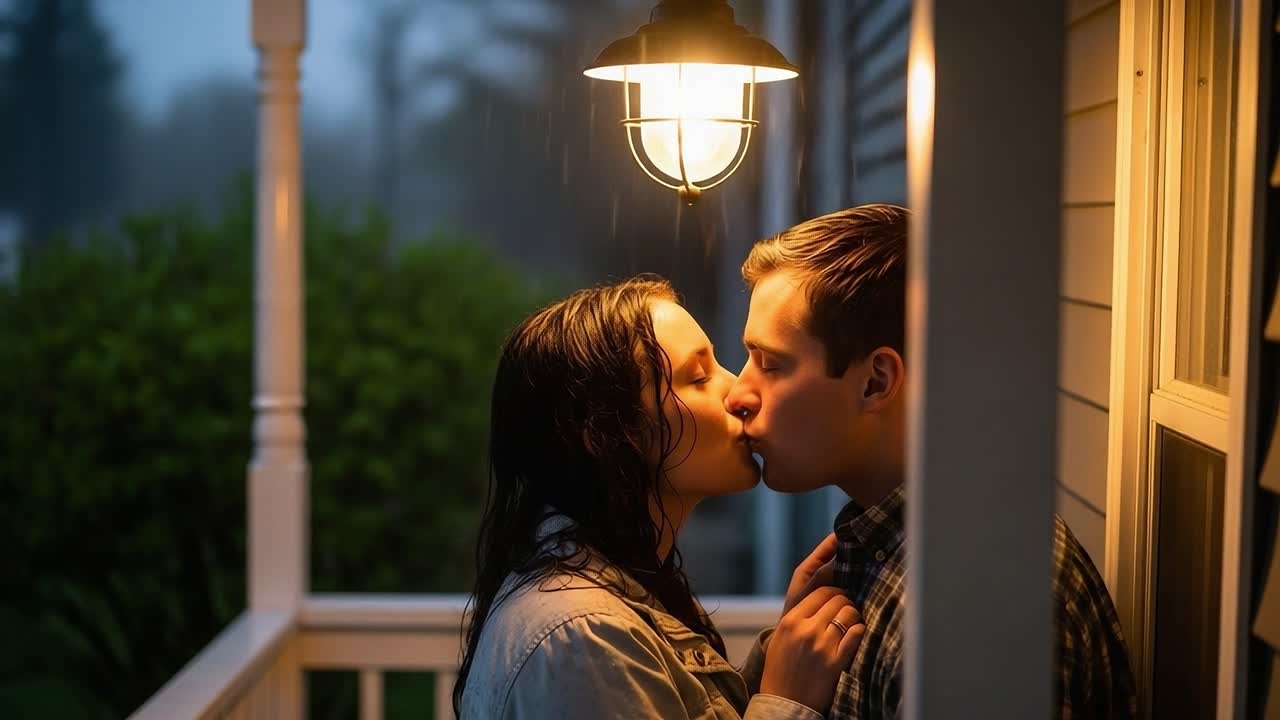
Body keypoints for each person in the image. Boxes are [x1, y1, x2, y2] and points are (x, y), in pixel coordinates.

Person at [726, 205, 1137, 718]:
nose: (737, 393)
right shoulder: (887, 553)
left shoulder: (972, 612)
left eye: (769, 364)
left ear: (876, 381)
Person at [455, 276, 865, 719]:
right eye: (700, 377)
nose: (741, 393)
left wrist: (781, 651)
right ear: (607, 435)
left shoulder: (598, 594)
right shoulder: (583, 638)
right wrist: (789, 704)